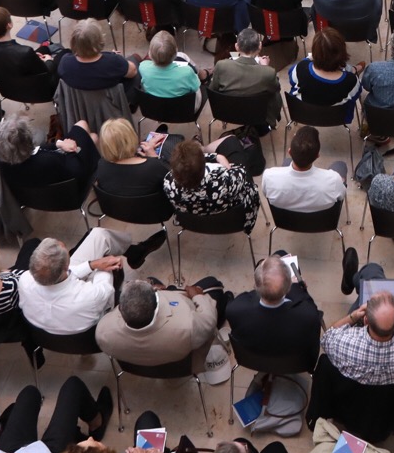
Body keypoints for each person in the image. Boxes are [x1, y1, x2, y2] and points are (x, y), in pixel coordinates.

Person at [15, 230, 146, 335]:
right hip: (93, 319)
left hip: (48, 332)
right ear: (66, 266)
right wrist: (103, 261)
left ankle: (134, 252)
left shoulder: (25, 280)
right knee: (111, 263)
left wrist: (91, 264)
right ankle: (135, 253)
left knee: (99, 236)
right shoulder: (91, 296)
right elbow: (105, 286)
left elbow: (68, 274)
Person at [321, 283, 394, 384]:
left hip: (354, 397)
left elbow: (327, 338)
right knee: (374, 273)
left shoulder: (342, 344)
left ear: (365, 321)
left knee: (369, 275)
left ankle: (355, 279)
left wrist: (353, 316)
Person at [97, 276, 219, 370]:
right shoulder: (187, 326)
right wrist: (198, 297)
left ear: (120, 309)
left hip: (137, 367)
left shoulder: (103, 332)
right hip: (180, 365)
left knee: (152, 278)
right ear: (157, 302)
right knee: (212, 284)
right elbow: (209, 322)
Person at [225, 254, 324, 366]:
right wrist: (299, 289)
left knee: (280, 252)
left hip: (255, 360)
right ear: (288, 288)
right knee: (281, 252)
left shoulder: (235, 309)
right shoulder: (307, 315)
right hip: (296, 363)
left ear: (255, 286)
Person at [163, 136, 260, 223]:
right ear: (204, 165)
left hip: (194, 222)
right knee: (231, 141)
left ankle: (201, 148)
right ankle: (202, 148)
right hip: (236, 218)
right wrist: (222, 161)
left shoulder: (168, 184)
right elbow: (242, 173)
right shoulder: (223, 181)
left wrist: (216, 157)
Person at [0, 5, 64, 100]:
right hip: (39, 91)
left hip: (9, 90)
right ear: (9, 25)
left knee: (45, 48)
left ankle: (47, 45)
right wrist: (49, 60)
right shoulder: (26, 51)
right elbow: (45, 71)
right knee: (65, 53)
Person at [0, 116, 95, 196]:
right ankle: (102, 180)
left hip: (35, 197)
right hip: (70, 191)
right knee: (91, 135)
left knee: (88, 134)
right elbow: (77, 170)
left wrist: (57, 144)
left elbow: (36, 150)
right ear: (29, 141)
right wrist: (72, 150)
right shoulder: (47, 160)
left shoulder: (3, 164)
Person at [209, 27, 283, 130]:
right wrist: (265, 67)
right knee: (274, 92)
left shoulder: (221, 65)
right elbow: (276, 88)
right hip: (258, 115)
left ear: (236, 46)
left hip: (227, 112)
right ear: (260, 46)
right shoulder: (268, 72)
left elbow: (213, 89)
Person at [264, 125, 348, 212]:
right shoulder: (334, 179)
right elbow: (341, 196)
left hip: (286, 222)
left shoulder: (269, 176)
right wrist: (339, 182)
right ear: (317, 156)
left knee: (287, 162)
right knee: (340, 165)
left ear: (290, 152)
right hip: (322, 222)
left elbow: (266, 193)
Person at [288, 27, 361, 122]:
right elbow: (354, 97)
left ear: (315, 52)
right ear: (342, 52)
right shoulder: (351, 80)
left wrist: (310, 58)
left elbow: (291, 80)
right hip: (336, 118)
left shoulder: (301, 68)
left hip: (303, 114)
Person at [93, 119, 170, 201]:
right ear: (132, 138)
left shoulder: (101, 166)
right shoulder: (153, 167)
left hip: (118, 209)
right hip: (155, 210)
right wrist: (154, 157)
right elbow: (173, 181)